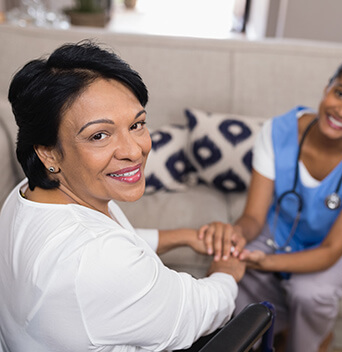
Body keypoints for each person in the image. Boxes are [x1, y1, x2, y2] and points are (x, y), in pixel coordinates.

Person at [0, 40, 246, 352]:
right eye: (99, 135)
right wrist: (227, 272)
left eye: (137, 124)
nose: (134, 150)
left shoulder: (26, 193)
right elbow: (198, 311)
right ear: (48, 152)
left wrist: (184, 236)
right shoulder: (100, 262)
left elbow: (106, 239)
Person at [198, 53, 342, 352]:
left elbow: (331, 251)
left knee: (309, 291)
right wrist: (235, 237)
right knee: (230, 265)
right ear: (327, 87)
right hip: (284, 230)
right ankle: (263, 336)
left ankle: (308, 342)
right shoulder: (278, 131)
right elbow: (254, 218)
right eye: (340, 93)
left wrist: (267, 262)